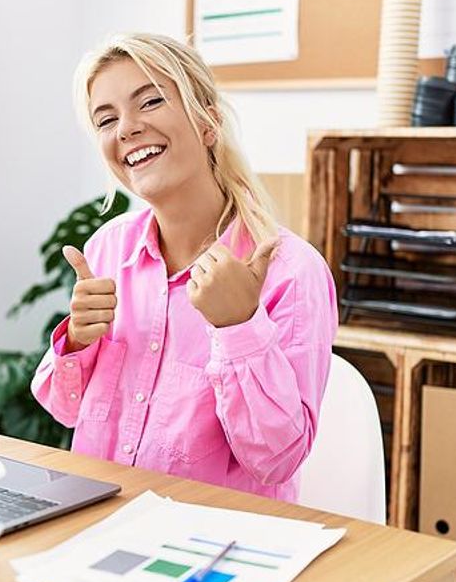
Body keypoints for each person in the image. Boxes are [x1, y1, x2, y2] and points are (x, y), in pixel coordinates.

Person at [31, 33, 337, 502]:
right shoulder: (108, 249)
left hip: (214, 544)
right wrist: (77, 339)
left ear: (208, 122)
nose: (126, 129)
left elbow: (277, 461)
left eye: (149, 101)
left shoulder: (292, 272)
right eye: (106, 119)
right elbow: (65, 409)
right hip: (101, 524)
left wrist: (239, 328)